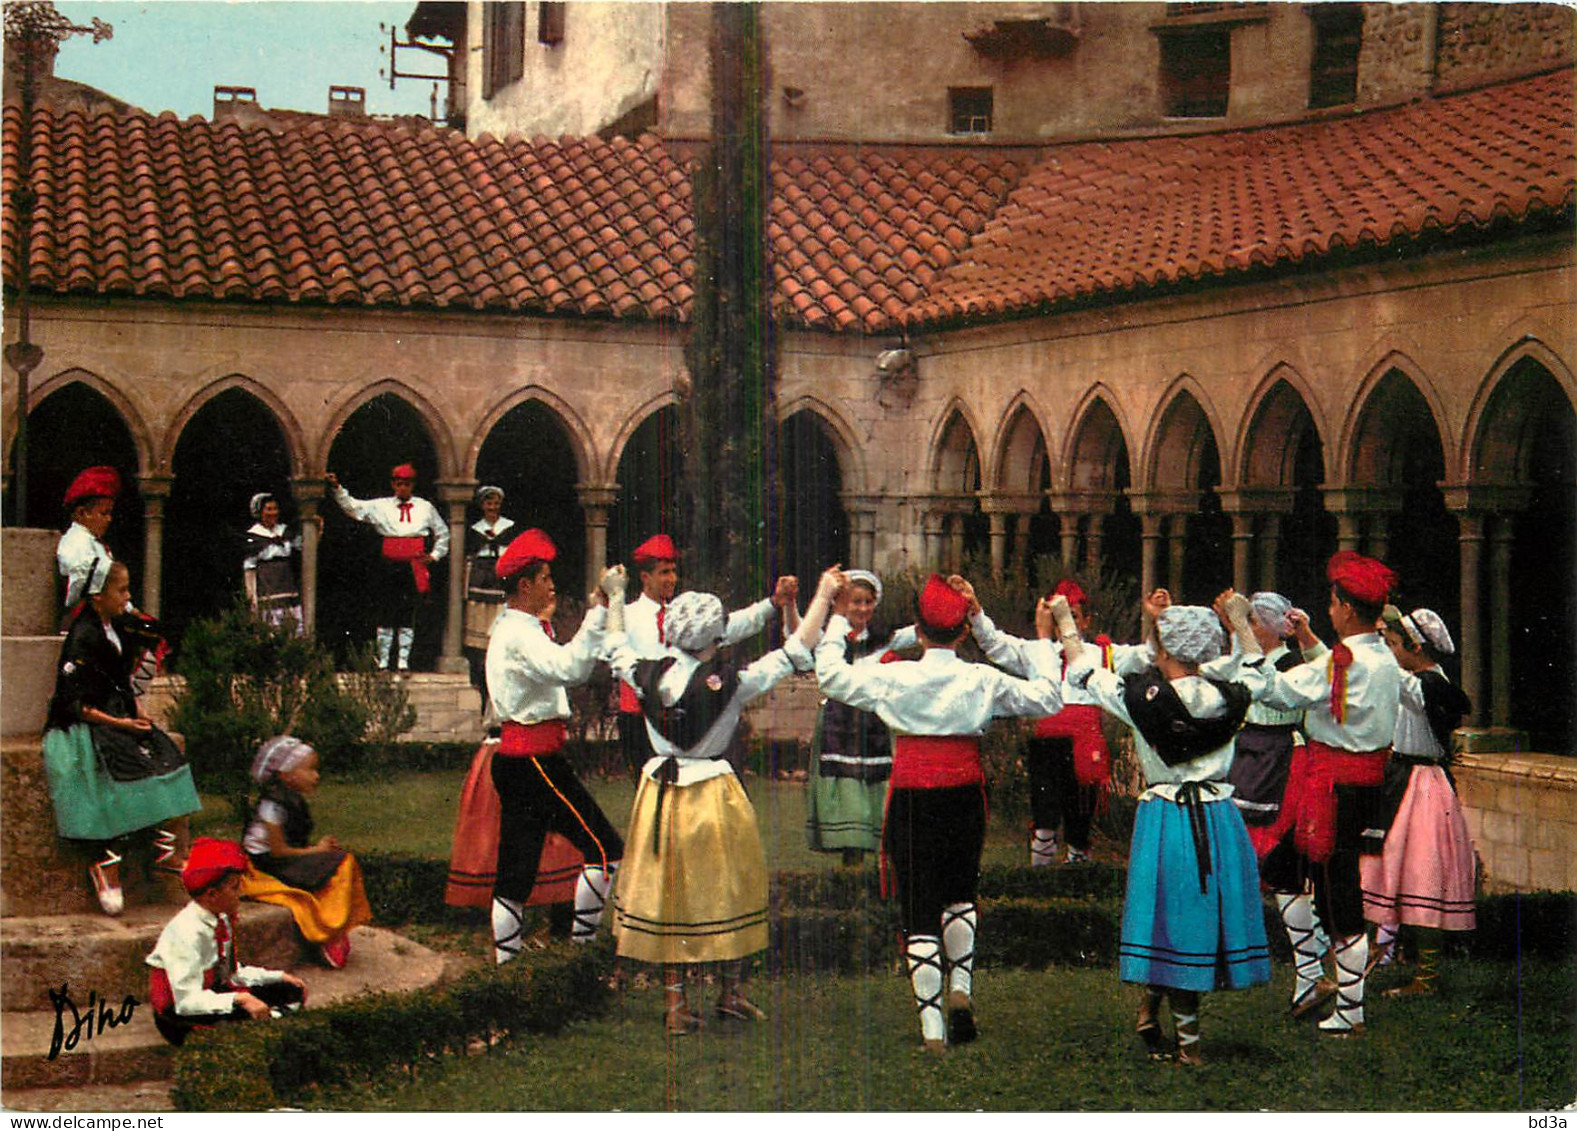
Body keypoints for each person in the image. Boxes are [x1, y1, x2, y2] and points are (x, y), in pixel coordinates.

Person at [814, 573, 1067, 1053]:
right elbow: (1048, 697)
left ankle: (932, 1030)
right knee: (960, 892)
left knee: (917, 906)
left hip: (911, 790)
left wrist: (836, 622)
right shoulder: (981, 677)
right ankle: (962, 990)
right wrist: (1035, 637)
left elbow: (830, 678)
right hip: (965, 791)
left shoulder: (894, 675)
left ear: (919, 629)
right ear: (964, 631)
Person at [609, 568, 831, 1034]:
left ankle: (675, 1005)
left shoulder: (646, 673)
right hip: (713, 792)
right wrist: (824, 593)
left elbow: (614, 648)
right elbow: (796, 651)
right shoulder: (733, 681)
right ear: (715, 636)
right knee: (728, 891)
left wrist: (613, 596)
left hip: (661, 793)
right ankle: (730, 994)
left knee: (670, 897)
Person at [1064, 597, 1273, 1066]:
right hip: (1219, 816)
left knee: (1173, 918)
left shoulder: (1140, 702)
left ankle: (1189, 1048)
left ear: (1160, 650)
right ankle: (1162, 1017)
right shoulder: (1232, 695)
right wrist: (1240, 622)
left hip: (1167, 815)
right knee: (1196, 917)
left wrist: (1062, 619)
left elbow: (1081, 670)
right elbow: (1260, 672)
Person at [1254, 551, 1402, 1037]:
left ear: (1343, 607)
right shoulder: (1378, 655)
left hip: (1332, 787)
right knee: (1283, 869)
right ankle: (1314, 976)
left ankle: (1350, 1009)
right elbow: (1335, 680)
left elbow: (1279, 691)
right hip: (1358, 782)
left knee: (1340, 897)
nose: (1330, 608)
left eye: (1333, 601)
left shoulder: (1346, 661)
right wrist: (1309, 638)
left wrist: (1245, 641)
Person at [486, 529, 628, 965]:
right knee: (606, 850)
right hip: (534, 757)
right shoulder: (520, 634)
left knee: (516, 873)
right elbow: (570, 668)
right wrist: (599, 611)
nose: (552, 585)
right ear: (524, 585)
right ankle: (582, 957)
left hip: (520, 757)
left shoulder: (517, 627)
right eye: (545, 578)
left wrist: (597, 611)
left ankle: (506, 964)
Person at [42, 558, 199, 916]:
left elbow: (124, 681)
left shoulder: (118, 629)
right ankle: (105, 863)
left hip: (119, 714)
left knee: (166, 755)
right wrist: (122, 724)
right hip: (87, 723)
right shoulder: (83, 637)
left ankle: (167, 850)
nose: (128, 596)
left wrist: (137, 712)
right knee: (114, 774)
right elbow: (75, 703)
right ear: (98, 595)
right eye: (122, 589)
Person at [967, 578, 1158, 865]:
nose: (1064, 624)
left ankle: (1077, 877)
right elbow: (994, 644)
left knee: (1080, 822)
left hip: (1087, 746)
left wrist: (1158, 619)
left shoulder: (1103, 654)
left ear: (1086, 622)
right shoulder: (1037, 652)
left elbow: (1146, 656)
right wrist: (975, 610)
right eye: (1057, 618)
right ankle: (1039, 880)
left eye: (1072, 616)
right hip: (1047, 746)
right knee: (1044, 822)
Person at [1361, 606, 1476, 996]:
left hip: (1423, 784)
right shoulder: (1417, 681)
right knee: (1388, 866)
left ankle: (1426, 976)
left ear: (1415, 647)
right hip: (1402, 778)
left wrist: (1369, 645)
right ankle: (1385, 951)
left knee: (1422, 873)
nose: (1390, 652)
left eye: (1394, 645)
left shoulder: (1429, 685)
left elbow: (1401, 687)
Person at [613, 533, 796, 777]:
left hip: (687, 708)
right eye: (664, 572)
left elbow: (728, 627)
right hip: (641, 715)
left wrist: (772, 603)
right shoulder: (628, 616)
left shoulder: (686, 614)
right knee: (650, 787)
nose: (672, 579)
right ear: (645, 577)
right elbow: (614, 653)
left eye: (673, 571)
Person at [145, 838, 308, 1047]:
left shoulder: (220, 919)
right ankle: (273, 1027)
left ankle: (275, 1020)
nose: (239, 894)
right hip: (178, 1014)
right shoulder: (186, 932)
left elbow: (231, 974)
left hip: (213, 991)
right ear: (212, 894)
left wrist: (277, 976)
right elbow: (186, 1002)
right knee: (248, 1016)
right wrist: (241, 1000)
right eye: (234, 888)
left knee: (291, 990)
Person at [805, 569, 915, 865]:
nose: (862, 608)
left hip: (874, 724)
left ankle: (881, 868)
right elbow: (799, 637)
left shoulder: (883, 639)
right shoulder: (830, 636)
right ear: (843, 603)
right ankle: (851, 863)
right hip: (839, 726)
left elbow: (919, 632)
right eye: (856, 602)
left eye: (868, 602)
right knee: (847, 792)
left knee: (877, 790)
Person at [1200, 591, 1320, 857]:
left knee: (1271, 821)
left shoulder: (1292, 663)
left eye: (1253, 623)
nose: (1249, 630)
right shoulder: (1244, 660)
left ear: (1273, 628)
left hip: (1280, 750)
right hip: (1249, 745)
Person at [239, 735, 373, 969]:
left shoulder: (290, 799)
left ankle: (333, 925)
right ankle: (328, 928)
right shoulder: (273, 805)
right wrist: (316, 851)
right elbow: (278, 851)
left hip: (279, 859)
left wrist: (317, 850)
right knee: (342, 863)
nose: (316, 776)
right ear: (285, 774)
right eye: (310, 770)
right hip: (267, 863)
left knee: (336, 861)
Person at [326, 464, 449, 672]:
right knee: (385, 614)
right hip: (388, 566)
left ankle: (403, 662)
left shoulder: (425, 507)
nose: (402, 488)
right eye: (399, 484)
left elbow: (443, 532)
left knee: (407, 616)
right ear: (393, 484)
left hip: (413, 566)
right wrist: (338, 488)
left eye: (407, 484)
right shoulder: (381, 506)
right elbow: (353, 508)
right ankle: (383, 662)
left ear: (412, 486)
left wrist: (435, 555)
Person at [462, 485, 516, 706]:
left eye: (495, 503)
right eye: (488, 503)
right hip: (480, 582)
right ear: (482, 506)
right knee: (479, 632)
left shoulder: (509, 528)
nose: (492, 507)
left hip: (500, 579)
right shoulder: (475, 530)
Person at [56, 465, 121, 612]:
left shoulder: (95, 543)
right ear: (82, 513)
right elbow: (79, 585)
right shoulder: (76, 542)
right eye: (104, 513)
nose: (109, 519)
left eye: (110, 514)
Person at [242, 492, 306, 631]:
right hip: (268, 585)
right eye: (268, 509)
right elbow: (249, 569)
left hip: (287, 585)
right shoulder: (254, 537)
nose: (273, 513)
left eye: (275, 509)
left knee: (294, 625)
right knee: (272, 626)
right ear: (260, 512)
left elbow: (302, 546)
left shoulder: (285, 531)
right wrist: (251, 599)